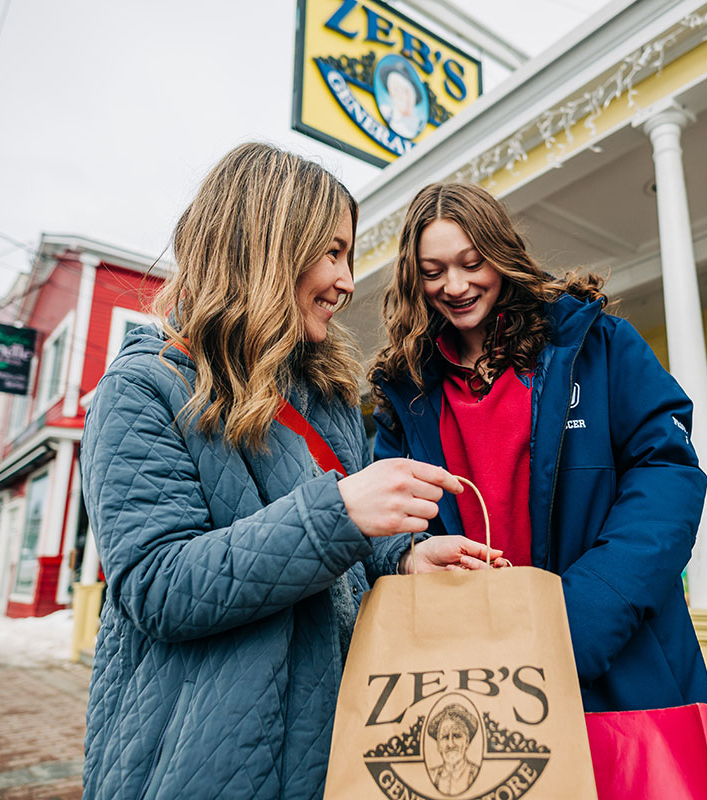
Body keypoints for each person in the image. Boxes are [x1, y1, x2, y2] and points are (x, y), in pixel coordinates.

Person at [79, 144, 502, 800]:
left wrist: (404, 557)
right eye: (333, 252)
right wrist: (341, 512)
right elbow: (158, 587)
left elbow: (347, 551)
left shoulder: (328, 395)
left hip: (337, 749)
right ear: (267, 244)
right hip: (201, 765)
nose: (347, 281)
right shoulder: (141, 388)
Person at [368, 182, 707, 799]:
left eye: (472, 263)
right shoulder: (404, 392)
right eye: (433, 272)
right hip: (478, 674)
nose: (455, 286)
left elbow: (668, 473)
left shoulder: (598, 345)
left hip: (613, 654)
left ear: (501, 254)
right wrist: (408, 559)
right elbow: (393, 529)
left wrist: (583, 616)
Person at [426, 703, 480, 795]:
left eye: (457, 736)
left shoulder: (477, 774)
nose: (450, 744)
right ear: (438, 745)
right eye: (445, 737)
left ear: (467, 741)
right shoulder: (431, 776)